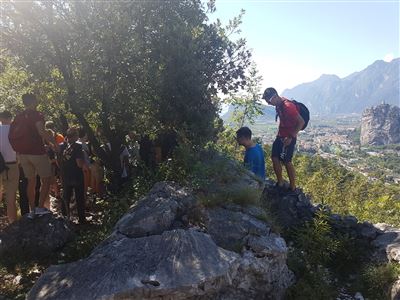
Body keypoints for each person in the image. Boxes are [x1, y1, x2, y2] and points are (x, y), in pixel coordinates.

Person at [10, 93, 54, 217]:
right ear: (34, 101)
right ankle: (40, 207)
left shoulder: (19, 116)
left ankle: (32, 210)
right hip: (37, 152)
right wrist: (54, 143)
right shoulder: (37, 115)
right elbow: (41, 131)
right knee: (46, 179)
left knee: (31, 181)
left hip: (23, 154)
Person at [262, 87, 305, 192]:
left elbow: (301, 122)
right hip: (280, 136)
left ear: (275, 96)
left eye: (269, 101)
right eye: (267, 101)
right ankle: (280, 182)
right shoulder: (279, 105)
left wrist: (290, 137)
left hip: (289, 137)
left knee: (287, 161)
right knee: (274, 157)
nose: (268, 103)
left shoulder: (288, 106)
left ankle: (293, 187)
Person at [58, 127, 88, 224]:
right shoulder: (78, 146)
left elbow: (58, 161)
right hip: (77, 174)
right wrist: (85, 165)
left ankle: (65, 217)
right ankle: (82, 219)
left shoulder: (61, 146)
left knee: (66, 196)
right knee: (79, 197)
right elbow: (79, 163)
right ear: (76, 135)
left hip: (65, 174)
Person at [0, 111, 19, 223]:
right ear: (10, 118)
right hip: (12, 165)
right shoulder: (15, 130)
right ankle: (12, 224)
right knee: (11, 199)